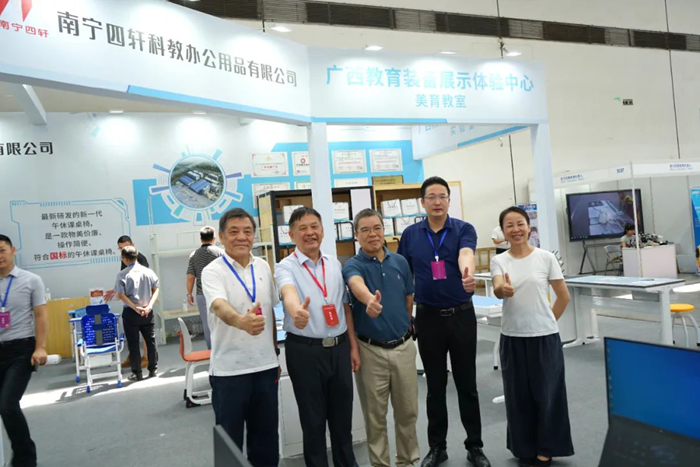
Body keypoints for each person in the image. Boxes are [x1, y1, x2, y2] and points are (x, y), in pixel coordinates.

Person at [397, 176, 490, 467]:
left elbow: (466, 253)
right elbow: (404, 278)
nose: (437, 202)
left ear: (449, 200)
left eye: (442, 197)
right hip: (428, 318)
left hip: (461, 315)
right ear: (422, 202)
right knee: (435, 386)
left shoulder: (463, 229)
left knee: (467, 384)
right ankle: (437, 447)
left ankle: (475, 446)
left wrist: (467, 273)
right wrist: (405, 315)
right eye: (431, 197)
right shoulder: (410, 235)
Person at [275, 207, 359, 467]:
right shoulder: (284, 267)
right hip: (305, 351)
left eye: (314, 227)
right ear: (291, 235)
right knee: (313, 421)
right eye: (302, 228)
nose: (310, 232)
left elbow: (344, 308)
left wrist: (353, 347)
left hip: (339, 348)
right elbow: (288, 292)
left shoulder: (334, 264)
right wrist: (295, 311)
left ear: (323, 231)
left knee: (343, 418)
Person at [490, 206, 574, 467]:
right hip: (512, 337)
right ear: (503, 231)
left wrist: (546, 321)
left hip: (544, 338)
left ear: (529, 227)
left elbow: (563, 297)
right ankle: (524, 447)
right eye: (509, 225)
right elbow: (497, 287)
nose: (515, 229)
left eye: (520, 224)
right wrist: (502, 289)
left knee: (547, 395)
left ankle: (546, 449)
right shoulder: (499, 261)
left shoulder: (545, 258)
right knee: (517, 396)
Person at [202, 208, 280, 467]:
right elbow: (218, 306)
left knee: (266, 441)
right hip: (229, 372)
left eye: (247, 231)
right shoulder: (212, 271)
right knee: (230, 444)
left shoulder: (263, 266)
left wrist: (274, 354)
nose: (241, 237)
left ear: (254, 236)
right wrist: (241, 322)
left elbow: (269, 311)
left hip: (265, 368)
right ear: (221, 236)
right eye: (233, 231)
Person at [343, 209, 419, 467]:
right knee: (375, 418)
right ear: (356, 235)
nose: (372, 234)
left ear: (384, 230)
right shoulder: (353, 265)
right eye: (365, 230)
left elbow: (408, 298)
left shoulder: (400, 262)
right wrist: (369, 300)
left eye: (376, 228)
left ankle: (408, 462)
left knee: (408, 413)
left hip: (403, 348)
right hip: (370, 351)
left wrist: (404, 327)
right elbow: (355, 284)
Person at [0, 234, 48, 467]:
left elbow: (40, 315)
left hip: (20, 350)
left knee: (8, 405)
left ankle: (25, 459)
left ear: (13, 250)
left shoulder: (31, 281)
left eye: (2, 250)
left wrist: (40, 347)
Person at [114, 246, 160, 381]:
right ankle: (153, 369)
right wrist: (149, 306)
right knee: (150, 341)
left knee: (133, 344)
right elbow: (156, 289)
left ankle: (137, 373)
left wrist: (135, 307)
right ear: (137, 255)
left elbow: (121, 295)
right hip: (147, 312)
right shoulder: (148, 272)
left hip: (131, 313)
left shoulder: (122, 274)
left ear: (124, 259)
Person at [186, 226, 223, 349]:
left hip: (202, 294)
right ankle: (223, 348)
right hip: (220, 293)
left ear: (201, 239)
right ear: (214, 238)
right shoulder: (220, 253)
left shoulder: (194, 255)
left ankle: (211, 349)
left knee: (207, 323)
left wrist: (189, 294)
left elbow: (190, 276)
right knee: (223, 320)